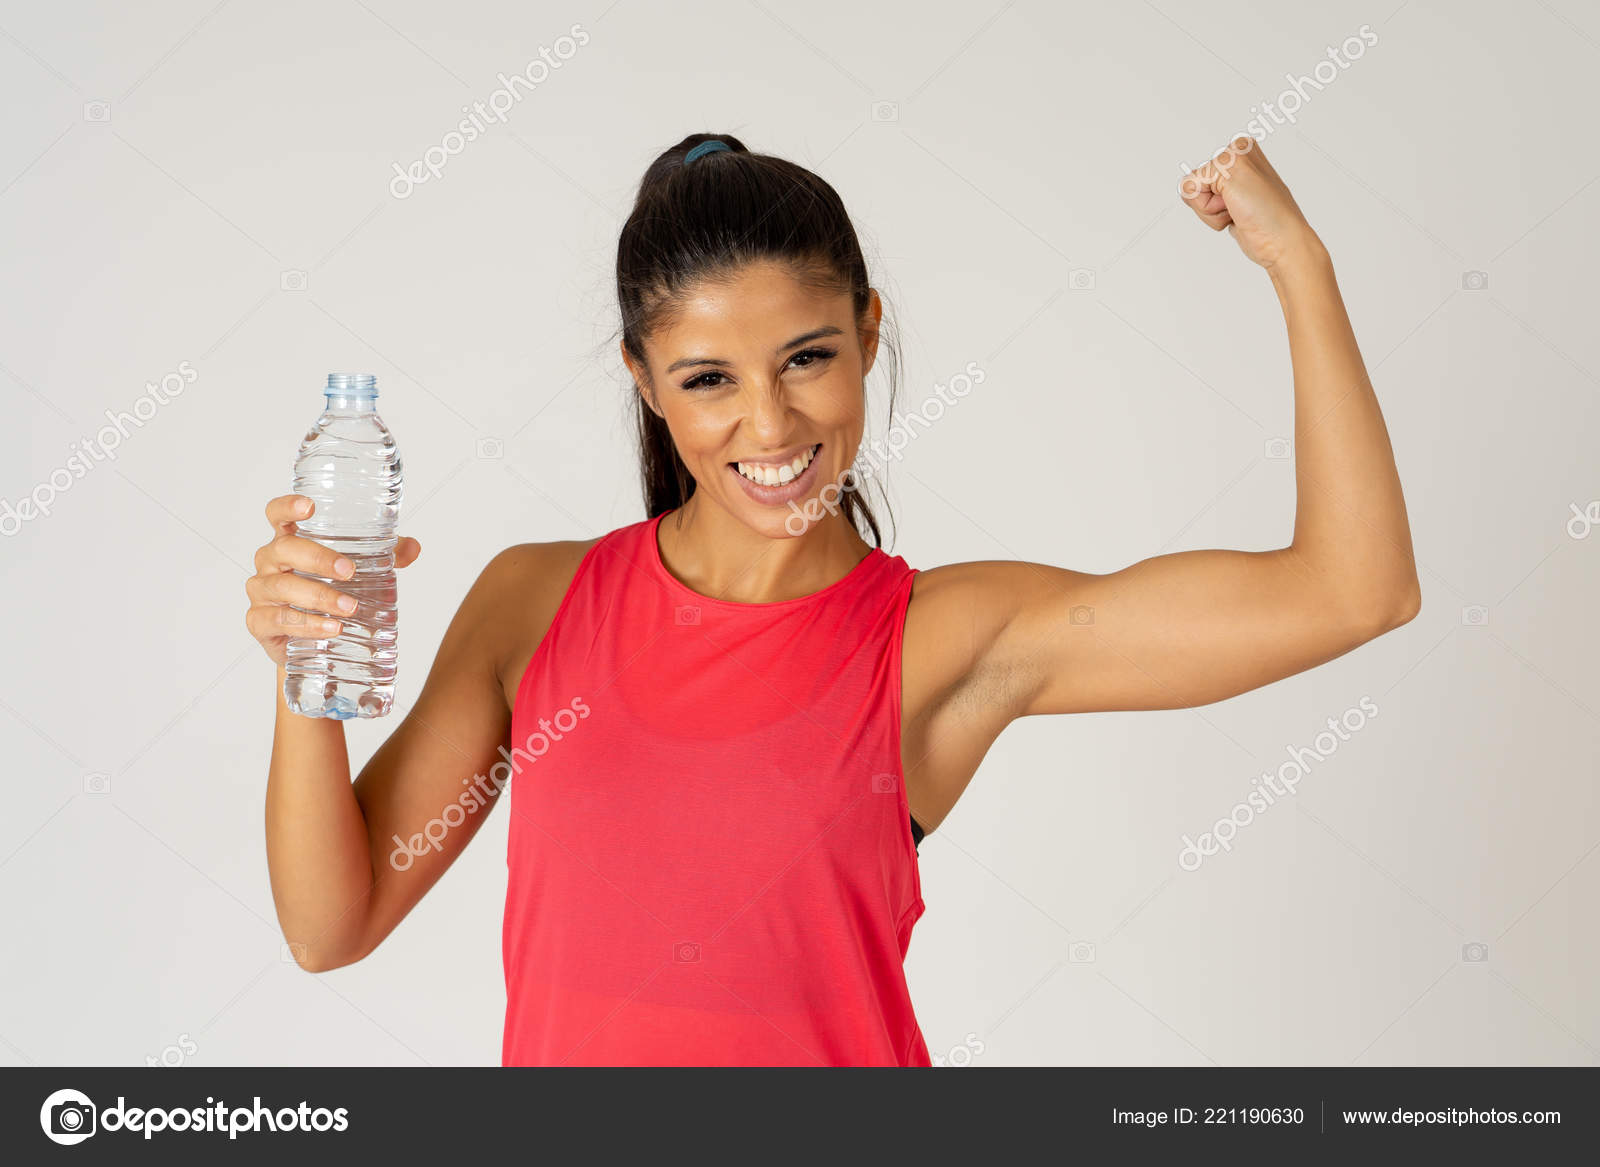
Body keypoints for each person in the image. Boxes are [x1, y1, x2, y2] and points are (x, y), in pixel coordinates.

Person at [245, 132, 1419, 1066]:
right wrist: (309, 675)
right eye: (709, 379)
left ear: (866, 332)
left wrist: (1297, 265)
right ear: (645, 381)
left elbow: (1351, 592)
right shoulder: (535, 601)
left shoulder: (944, 640)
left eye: (806, 358)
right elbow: (330, 926)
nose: (769, 426)